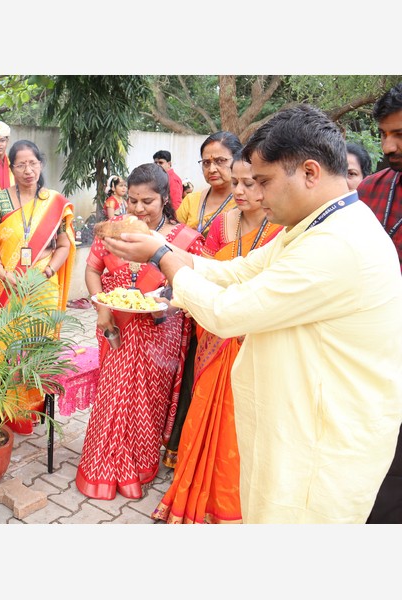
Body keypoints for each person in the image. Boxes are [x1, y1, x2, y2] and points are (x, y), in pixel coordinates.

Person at [103, 104, 402, 523]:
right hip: (295, 434)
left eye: (263, 181)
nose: (254, 195)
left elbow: (228, 312)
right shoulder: (319, 226)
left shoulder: (338, 244)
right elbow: (236, 270)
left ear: (310, 173)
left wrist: (160, 255)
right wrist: (165, 250)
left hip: (318, 454)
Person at [151, 150, 282, 523]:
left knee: (235, 425)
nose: (239, 190)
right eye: (236, 182)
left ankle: (227, 504)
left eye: (250, 183)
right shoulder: (222, 224)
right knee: (201, 410)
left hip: (251, 335)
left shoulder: (281, 233)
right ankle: (192, 495)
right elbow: (204, 271)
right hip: (211, 330)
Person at [76, 162, 204, 500]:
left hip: (159, 333)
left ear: (164, 198)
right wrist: (102, 307)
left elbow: (193, 285)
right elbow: (93, 271)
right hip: (115, 328)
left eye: (146, 201)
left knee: (147, 403)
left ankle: (139, 465)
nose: (137, 209)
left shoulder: (183, 239)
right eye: (132, 200)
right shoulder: (114, 229)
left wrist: (165, 303)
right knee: (112, 398)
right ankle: (102, 467)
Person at [163, 131, 243, 469]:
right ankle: (178, 445)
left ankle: (206, 455)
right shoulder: (193, 202)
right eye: (206, 162)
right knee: (182, 371)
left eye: (220, 161)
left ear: (237, 163)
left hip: (222, 298)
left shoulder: (246, 201)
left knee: (209, 377)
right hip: (182, 297)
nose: (212, 168)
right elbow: (171, 237)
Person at [0, 139, 75, 434]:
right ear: (11, 168)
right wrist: (0, 270)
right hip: (7, 285)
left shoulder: (54, 202)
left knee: (37, 346)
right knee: (4, 345)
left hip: (41, 287)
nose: (28, 170)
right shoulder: (0, 200)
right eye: (21, 164)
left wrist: (48, 271)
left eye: (33, 163)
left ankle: (33, 410)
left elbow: (64, 244)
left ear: (41, 164)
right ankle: (6, 410)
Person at [357, 82, 402, 523]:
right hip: (369, 359)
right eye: (384, 135)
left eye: (401, 136)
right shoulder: (371, 189)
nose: (389, 147)